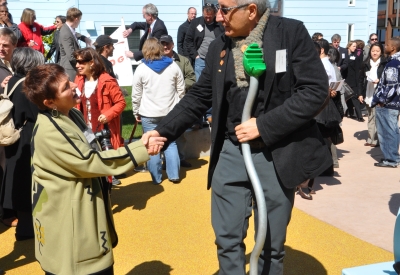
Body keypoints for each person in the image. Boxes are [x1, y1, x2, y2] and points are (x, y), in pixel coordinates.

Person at [141, 0, 331, 273]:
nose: (218, 17)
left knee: (270, 245)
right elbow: (198, 97)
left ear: (251, 10)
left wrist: (264, 125)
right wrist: (163, 131)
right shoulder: (220, 46)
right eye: (217, 8)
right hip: (231, 151)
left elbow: (314, 92)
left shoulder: (290, 34)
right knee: (227, 238)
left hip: (276, 153)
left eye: (225, 9)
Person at [23, 63, 165, 275]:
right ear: (49, 102)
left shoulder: (71, 114)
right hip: (70, 226)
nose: (73, 85)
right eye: (64, 88)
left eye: (68, 79)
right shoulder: (51, 129)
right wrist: (140, 149)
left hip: (82, 211)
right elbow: (91, 161)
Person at [0, 47, 44, 241]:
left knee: (17, 181)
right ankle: (28, 230)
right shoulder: (26, 86)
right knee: (27, 183)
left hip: (13, 137)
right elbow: (35, 114)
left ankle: (24, 228)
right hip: (26, 137)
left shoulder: (11, 82)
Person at [132, 38, 185, 184]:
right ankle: (174, 175)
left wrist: (136, 111)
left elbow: (136, 94)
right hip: (170, 112)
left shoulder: (141, 69)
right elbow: (181, 89)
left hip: (149, 113)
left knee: (151, 144)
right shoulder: (173, 65)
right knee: (171, 143)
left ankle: (156, 178)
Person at [74, 48, 125, 151]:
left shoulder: (107, 81)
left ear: (91, 62)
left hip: (105, 133)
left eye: (80, 62)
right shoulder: (78, 80)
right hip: (85, 133)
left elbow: (121, 103)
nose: (77, 65)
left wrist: (108, 115)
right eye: (76, 62)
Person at [160, 34, 195, 168]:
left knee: (180, 132)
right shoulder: (156, 61)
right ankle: (165, 160)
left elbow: (191, 78)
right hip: (162, 102)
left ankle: (180, 158)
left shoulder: (183, 61)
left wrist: (178, 87)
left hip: (179, 102)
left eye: (167, 43)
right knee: (163, 132)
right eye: (162, 44)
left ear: (172, 44)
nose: (165, 46)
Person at [371, 37, 400, 168]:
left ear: (393, 48)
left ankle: (391, 159)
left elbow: (391, 86)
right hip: (394, 103)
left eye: (387, 45)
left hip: (388, 104)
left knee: (387, 132)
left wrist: (381, 100)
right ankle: (393, 157)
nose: (385, 46)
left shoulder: (393, 64)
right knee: (393, 130)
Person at [0, 27, 17, 228]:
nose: (2, 48)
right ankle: (5, 214)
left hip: (8, 124)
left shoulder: (10, 64)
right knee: (3, 169)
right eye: (0, 45)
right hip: (2, 125)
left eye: (5, 45)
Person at [184, 2, 224, 80]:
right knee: (199, 84)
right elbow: (188, 40)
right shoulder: (196, 23)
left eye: (210, 17)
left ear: (215, 14)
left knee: (214, 83)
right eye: (206, 17)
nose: (208, 19)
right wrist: (195, 55)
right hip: (200, 60)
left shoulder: (220, 25)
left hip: (215, 60)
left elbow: (224, 40)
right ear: (203, 13)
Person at [361, 42, 386, 148]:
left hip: (378, 93)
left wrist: (380, 81)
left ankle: (376, 140)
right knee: (370, 116)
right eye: (373, 51)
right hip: (368, 93)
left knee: (376, 117)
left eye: (377, 51)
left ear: (381, 52)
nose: (375, 53)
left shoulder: (384, 64)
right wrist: (360, 94)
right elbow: (361, 80)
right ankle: (370, 138)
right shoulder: (366, 63)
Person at [59, 7, 92, 81]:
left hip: (73, 67)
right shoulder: (66, 33)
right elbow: (71, 56)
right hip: (70, 69)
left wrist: (84, 38)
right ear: (76, 19)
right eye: (80, 19)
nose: (80, 21)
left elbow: (74, 34)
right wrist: (83, 63)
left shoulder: (69, 29)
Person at [344, 40, 364, 122]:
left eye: (356, 46)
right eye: (353, 46)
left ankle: (359, 116)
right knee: (347, 97)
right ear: (349, 46)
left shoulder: (355, 56)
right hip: (344, 79)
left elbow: (357, 70)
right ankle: (350, 113)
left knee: (354, 97)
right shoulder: (344, 54)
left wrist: (357, 80)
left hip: (352, 79)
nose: (355, 48)